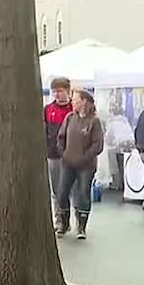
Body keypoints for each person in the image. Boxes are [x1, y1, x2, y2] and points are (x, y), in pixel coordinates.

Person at [55, 89, 105, 239]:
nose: (73, 102)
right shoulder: (70, 118)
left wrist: (84, 158)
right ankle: (64, 224)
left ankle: (81, 227)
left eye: (76, 100)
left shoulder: (94, 121)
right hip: (68, 163)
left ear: (84, 101)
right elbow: (61, 137)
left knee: (83, 194)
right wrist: (63, 153)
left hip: (86, 166)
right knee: (62, 194)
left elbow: (98, 145)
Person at [44, 77, 76, 231]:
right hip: (53, 155)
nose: (57, 94)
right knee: (57, 190)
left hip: (73, 156)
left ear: (68, 91)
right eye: (54, 91)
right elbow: (44, 132)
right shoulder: (48, 109)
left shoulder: (74, 110)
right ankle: (61, 221)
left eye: (60, 91)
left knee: (74, 189)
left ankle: (78, 221)